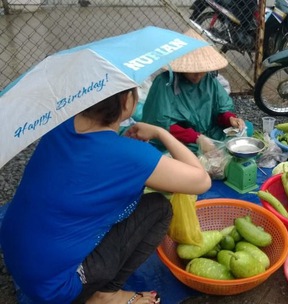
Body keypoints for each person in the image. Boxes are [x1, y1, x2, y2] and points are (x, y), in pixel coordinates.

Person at [0, 86, 212, 303]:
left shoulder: (59, 125)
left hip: (18, 258)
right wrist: (161, 132)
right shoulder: (130, 154)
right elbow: (202, 180)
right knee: (159, 207)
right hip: (57, 288)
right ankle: (106, 295)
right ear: (126, 100)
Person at [141, 29, 247, 155]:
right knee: (182, 153)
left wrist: (230, 119)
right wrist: (196, 138)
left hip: (208, 132)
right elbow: (161, 125)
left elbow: (220, 109)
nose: (198, 75)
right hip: (181, 139)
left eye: (202, 70)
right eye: (193, 71)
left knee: (246, 129)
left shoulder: (208, 80)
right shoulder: (165, 83)